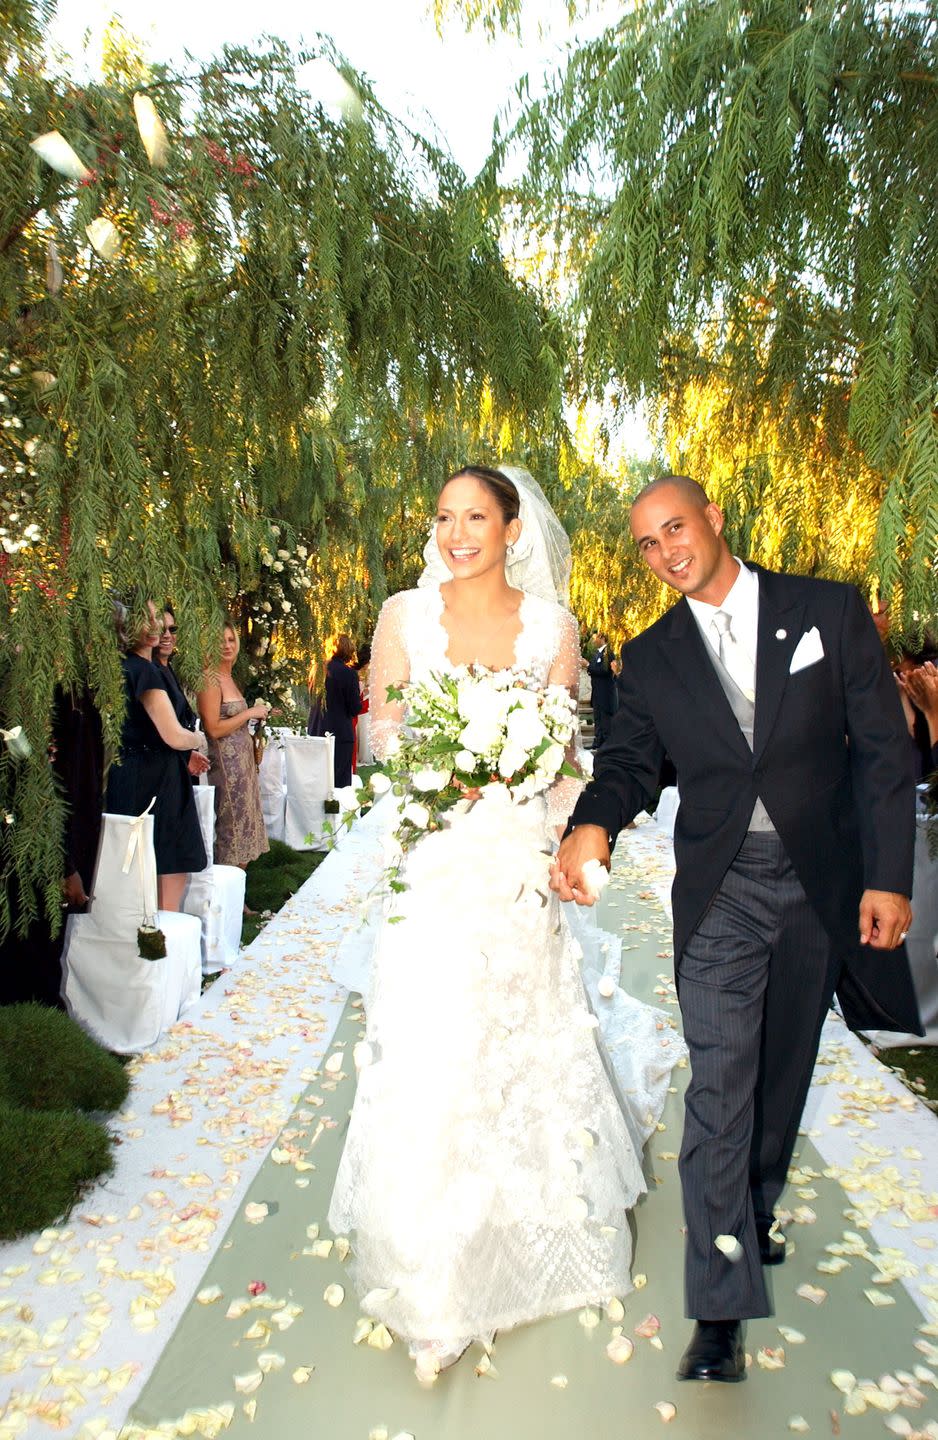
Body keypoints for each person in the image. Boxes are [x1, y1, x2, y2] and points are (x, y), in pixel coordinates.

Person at [553, 474, 919, 1384]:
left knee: (784, 1068)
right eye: (646, 543)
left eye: (675, 527)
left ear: (714, 518)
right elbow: (631, 764)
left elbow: (882, 749)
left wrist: (887, 877)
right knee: (719, 1083)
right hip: (722, 890)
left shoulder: (827, 611)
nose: (666, 550)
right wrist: (593, 820)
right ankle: (718, 1309)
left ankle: (753, 1205)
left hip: (822, 883)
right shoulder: (652, 657)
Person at [328, 464, 687, 1381]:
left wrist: (562, 822)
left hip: (518, 867)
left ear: (512, 525)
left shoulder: (554, 630)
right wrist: (444, 765)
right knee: (432, 1049)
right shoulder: (403, 617)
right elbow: (380, 736)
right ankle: (433, 1283)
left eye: (475, 516)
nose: (457, 533)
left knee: (519, 1044)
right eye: (444, 515)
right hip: (437, 866)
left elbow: (569, 762)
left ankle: (533, 1240)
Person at [106, 600, 208, 911]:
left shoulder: (121, 667)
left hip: (129, 771)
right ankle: (163, 928)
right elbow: (173, 734)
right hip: (156, 777)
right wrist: (198, 739)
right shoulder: (145, 672)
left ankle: (144, 929)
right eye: (146, 619)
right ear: (127, 626)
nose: (155, 626)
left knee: (136, 855)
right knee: (169, 855)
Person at [196, 622, 270, 877]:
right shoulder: (209, 679)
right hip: (226, 765)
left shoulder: (229, 677)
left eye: (230, 640)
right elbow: (213, 728)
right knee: (232, 825)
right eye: (220, 641)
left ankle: (239, 892)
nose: (227, 646)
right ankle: (226, 892)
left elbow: (233, 719)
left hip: (243, 760)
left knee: (246, 820)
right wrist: (250, 712)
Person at [153, 605, 211, 782]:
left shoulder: (167, 667)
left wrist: (188, 754)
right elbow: (156, 730)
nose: (167, 635)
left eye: (172, 629)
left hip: (177, 763)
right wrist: (193, 746)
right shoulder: (150, 672)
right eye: (161, 629)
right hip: (160, 771)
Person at [324, 634, 362, 788]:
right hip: (340, 732)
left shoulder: (316, 670)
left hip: (317, 729)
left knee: (319, 777)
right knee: (339, 782)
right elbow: (354, 708)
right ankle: (337, 811)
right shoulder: (349, 674)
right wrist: (359, 693)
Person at [587, 631, 618, 748]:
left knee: (605, 720)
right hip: (597, 693)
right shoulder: (597, 654)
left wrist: (588, 666)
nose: (594, 640)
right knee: (598, 718)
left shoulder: (608, 653)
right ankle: (598, 741)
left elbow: (605, 670)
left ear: (602, 638)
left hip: (605, 693)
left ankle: (606, 744)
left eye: (596, 637)